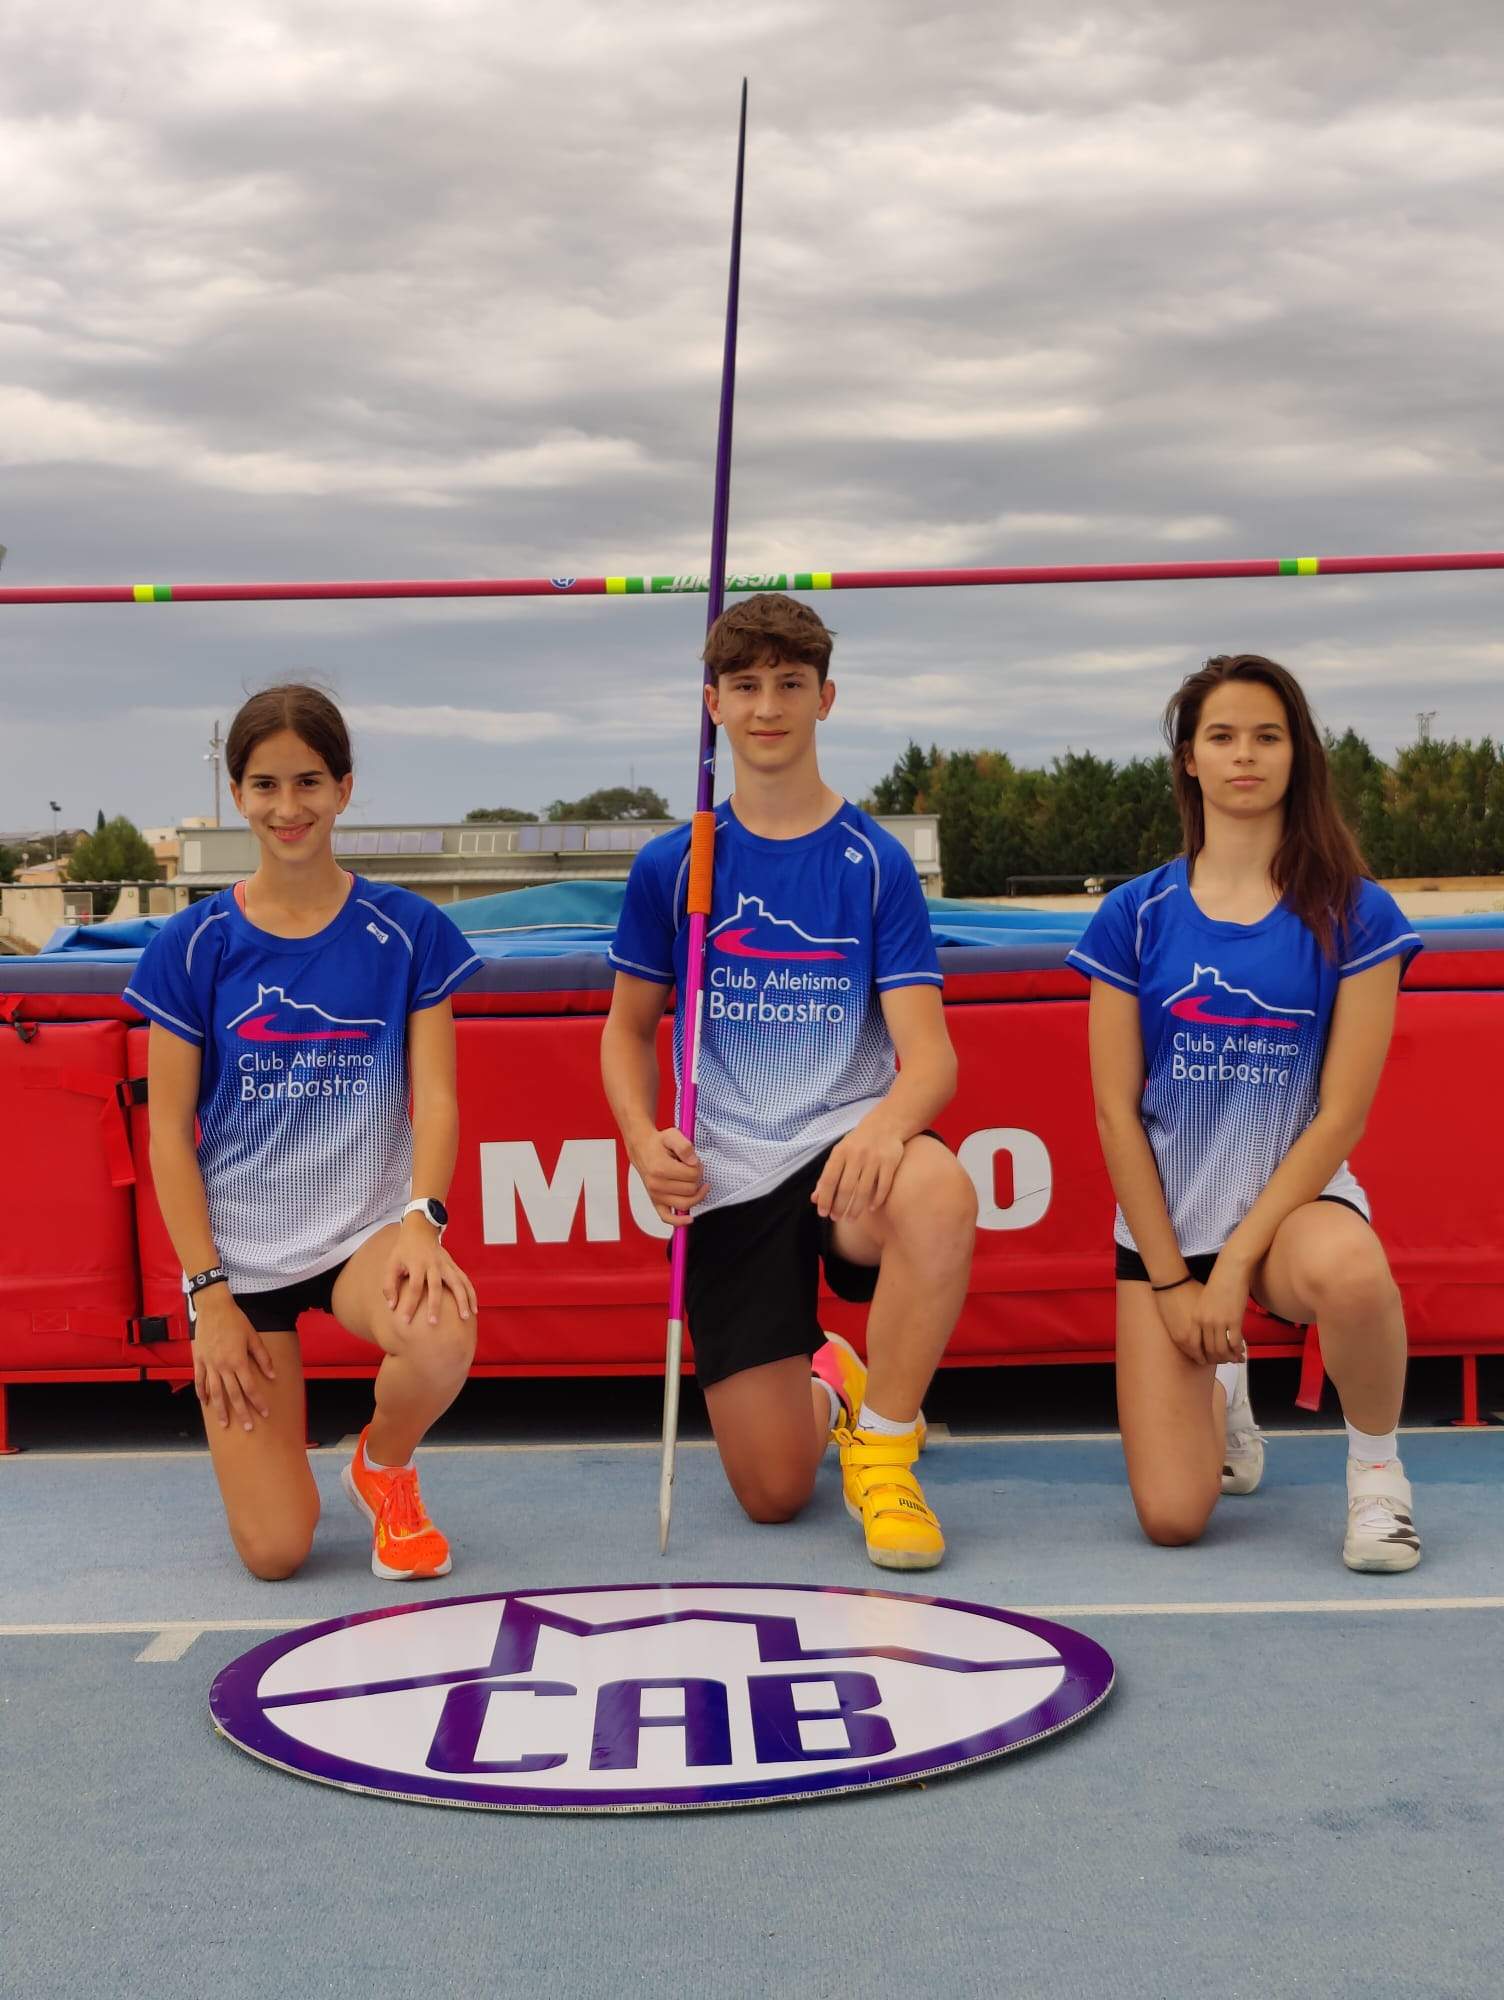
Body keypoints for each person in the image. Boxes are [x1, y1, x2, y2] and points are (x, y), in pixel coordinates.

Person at [601, 593, 977, 1571]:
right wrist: (644, 1139)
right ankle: (837, 1381)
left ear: (825, 698)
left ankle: (887, 1451)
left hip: (841, 1156)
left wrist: (884, 1130)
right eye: (745, 684)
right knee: (772, 1494)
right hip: (729, 1168)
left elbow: (929, 1059)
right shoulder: (671, 865)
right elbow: (625, 1032)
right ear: (714, 704)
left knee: (938, 1189)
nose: (767, 706)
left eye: (789, 684)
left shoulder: (872, 861)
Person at [1067, 653, 1422, 1571]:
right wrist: (1176, 1279)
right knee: (1175, 1520)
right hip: (1165, 1232)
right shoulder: (1133, 914)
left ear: (1297, 754)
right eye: (1221, 737)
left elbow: (1341, 1113)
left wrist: (1234, 1269)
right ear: (1189, 758)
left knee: (1351, 1271)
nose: (1245, 756)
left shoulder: (1356, 912)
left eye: (1267, 736)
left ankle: (1379, 1475)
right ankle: (1222, 1389)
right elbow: (1114, 1111)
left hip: (1289, 1216)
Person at [125, 684, 483, 1581]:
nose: (289, 808)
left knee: (440, 1325)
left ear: (345, 789)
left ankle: (384, 1467)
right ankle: (292, 1472)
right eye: (265, 785)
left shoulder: (407, 931)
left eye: (310, 782)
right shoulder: (192, 945)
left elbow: (435, 1098)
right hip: (240, 1263)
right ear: (238, 794)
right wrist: (208, 1297)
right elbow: (168, 1131)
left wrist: (421, 1223)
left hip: (362, 1235)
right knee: (280, 1552)